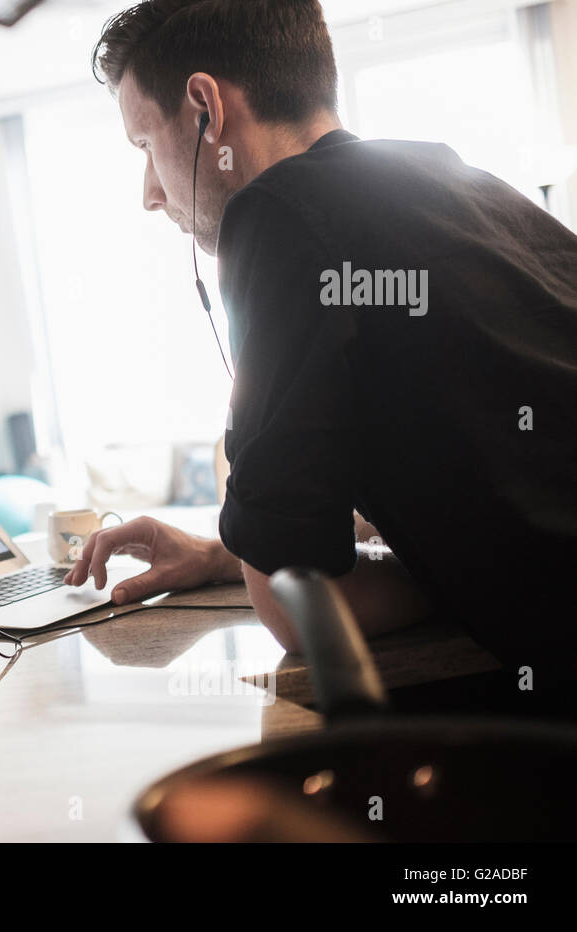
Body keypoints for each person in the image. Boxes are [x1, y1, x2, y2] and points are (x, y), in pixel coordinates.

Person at [64, 0, 577, 683]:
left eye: (144, 146)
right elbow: (477, 477)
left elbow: (299, 608)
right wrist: (228, 553)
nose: (151, 193)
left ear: (204, 108)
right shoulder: (462, 184)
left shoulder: (276, 217)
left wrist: (437, 570)